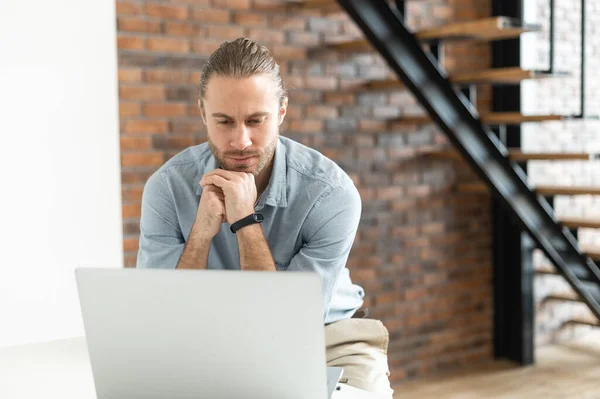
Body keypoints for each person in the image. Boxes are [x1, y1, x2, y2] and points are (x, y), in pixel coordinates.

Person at [136, 37, 393, 397]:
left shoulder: (331, 193)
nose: (240, 140)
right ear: (202, 113)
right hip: (212, 336)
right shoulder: (167, 187)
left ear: (282, 112)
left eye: (256, 120)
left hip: (327, 335)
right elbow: (165, 321)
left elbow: (286, 326)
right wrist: (200, 235)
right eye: (224, 121)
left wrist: (244, 221)